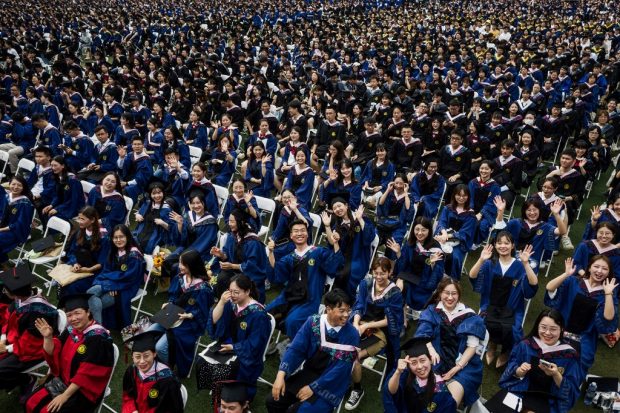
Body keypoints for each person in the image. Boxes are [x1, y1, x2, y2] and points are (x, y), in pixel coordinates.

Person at [266, 288, 360, 413]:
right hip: (309, 373)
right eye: (341, 311)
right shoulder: (314, 323)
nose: (346, 315)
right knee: (273, 401)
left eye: (348, 310)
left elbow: (341, 369)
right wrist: (281, 374)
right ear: (329, 309)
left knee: (300, 411)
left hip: (331, 383)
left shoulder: (351, 334)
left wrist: (313, 388)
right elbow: (296, 349)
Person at [24, 294, 114, 413]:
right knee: (30, 402)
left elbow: (86, 375)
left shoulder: (99, 339)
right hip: (62, 381)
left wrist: (64, 396)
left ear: (88, 312)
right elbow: (52, 352)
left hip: (81, 392)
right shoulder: (72, 330)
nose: (73, 318)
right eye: (69, 315)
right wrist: (48, 337)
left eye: (77, 313)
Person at [266, 220, 343, 351]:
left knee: (292, 321)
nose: (300, 233)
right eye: (296, 231)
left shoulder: (318, 252)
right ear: (291, 236)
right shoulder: (290, 257)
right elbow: (276, 275)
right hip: (288, 297)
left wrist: (335, 243)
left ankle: (296, 348)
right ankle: (269, 342)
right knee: (264, 314)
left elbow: (333, 266)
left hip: (309, 299)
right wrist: (271, 251)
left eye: (303, 230)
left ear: (308, 234)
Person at [490, 309, 581, 413]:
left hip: (548, 399)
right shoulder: (525, 345)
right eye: (543, 327)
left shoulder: (569, 355)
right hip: (520, 389)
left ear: (561, 329)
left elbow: (571, 391)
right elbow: (511, 369)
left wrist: (556, 374)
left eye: (553, 329)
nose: (547, 333)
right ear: (537, 326)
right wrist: (519, 371)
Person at [469, 232, 538, 368]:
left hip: (512, 309)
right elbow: (473, 276)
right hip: (490, 306)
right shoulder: (489, 264)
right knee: (482, 321)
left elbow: (533, 286)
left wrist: (526, 264)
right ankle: (492, 345)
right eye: (499, 243)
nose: (503, 246)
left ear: (513, 246)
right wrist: (481, 259)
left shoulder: (519, 266)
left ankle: (506, 351)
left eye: (506, 243)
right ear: (495, 245)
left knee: (513, 329)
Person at [414, 278, 487, 407]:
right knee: (421, 400)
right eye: (446, 293)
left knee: (448, 404)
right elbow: (422, 335)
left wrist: (457, 367)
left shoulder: (470, 316)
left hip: (463, 366)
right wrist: (432, 350)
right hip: (434, 362)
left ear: (459, 295)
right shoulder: (432, 311)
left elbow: (472, 347)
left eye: (454, 293)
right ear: (440, 293)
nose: (449, 297)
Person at [345, 258, 404, 410]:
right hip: (361, 324)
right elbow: (358, 305)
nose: (378, 276)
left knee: (354, 357)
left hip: (381, 332)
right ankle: (341, 381)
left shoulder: (395, 293)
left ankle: (357, 389)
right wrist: (356, 324)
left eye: (382, 273)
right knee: (340, 350)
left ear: (390, 273)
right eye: (375, 273)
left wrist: (368, 326)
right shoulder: (366, 284)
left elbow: (390, 321)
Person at [545, 256, 618, 371]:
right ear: (589, 268)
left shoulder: (607, 294)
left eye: (604, 269)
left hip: (584, 339)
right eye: (596, 266)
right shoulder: (573, 282)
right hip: (560, 331)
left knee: (580, 362)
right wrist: (566, 274)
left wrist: (608, 294)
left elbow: (608, 319)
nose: (599, 271)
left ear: (609, 273)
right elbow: (549, 287)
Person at [149, 249, 214, 378]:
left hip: (189, 323)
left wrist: (191, 315)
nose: (179, 266)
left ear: (192, 266)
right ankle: (159, 363)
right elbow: (173, 295)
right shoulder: (180, 278)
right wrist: (169, 303)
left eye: (183, 264)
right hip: (173, 313)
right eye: (180, 262)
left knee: (160, 347)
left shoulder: (203, 289)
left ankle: (167, 371)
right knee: (149, 332)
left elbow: (204, 311)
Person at [206, 274, 271, 400]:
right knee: (203, 361)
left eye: (236, 292)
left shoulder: (258, 314)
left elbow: (256, 344)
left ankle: (238, 399)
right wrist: (221, 302)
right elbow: (214, 320)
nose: (232, 295)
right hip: (230, 343)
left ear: (247, 291)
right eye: (230, 291)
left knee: (236, 371)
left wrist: (234, 347)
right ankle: (220, 388)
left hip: (246, 352)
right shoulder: (231, 304)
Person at [0, 266, 58, 392]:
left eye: (5, 290)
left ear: (14, 293)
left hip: (31, 350)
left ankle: (27, 381)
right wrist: (2, 339)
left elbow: (30, 344)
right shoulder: (20, 299)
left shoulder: (38, 311)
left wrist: (6, 348)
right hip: (16, 342)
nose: (4, 292)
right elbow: (7, 320)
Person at [87, 224, 145, 329]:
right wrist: (111, 284)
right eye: (115, 237)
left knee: (91, 295)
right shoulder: (114, 251)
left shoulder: (134, 256)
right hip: (112, 283)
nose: (118, 240)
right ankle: (98, 328)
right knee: (94, 298)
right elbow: (106, 270)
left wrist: (113, 285)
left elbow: (129, 277)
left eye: (121, 237)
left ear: (128, 237)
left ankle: (96, 328)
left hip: (126, 287)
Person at [382, 337, 457, 413]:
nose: (420, 367)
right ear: (408, 364)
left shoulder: (441, 392)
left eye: (422, 360)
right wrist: (398, 372)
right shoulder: (404, 373)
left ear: (430, 360)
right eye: (414, 362)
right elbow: (391, 392)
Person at [322, 194, 376, 299]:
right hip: (342, 256)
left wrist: (360, 219)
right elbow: (332, 243)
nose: (337, 209)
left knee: (348, 272)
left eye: (339, 206)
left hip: (359, 256)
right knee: (326, 261)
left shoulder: (360, 218)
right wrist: (327, 226)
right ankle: (330, 293)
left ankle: (346, 299)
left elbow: (369, 237)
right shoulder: (338, 224)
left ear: (346, 205)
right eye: (334, 208)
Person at [493, 196, 567, 271]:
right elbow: (500, 232)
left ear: (540, 210)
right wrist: (500, 211)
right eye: (529, 210)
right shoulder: (516, 222)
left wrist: (556, 215)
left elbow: (562, 231)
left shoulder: (545, 227)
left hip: (531, 263)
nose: (532, 213)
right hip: (510, 258)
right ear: (524, 211)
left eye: (535, 210)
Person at [388, 217, 444, 313]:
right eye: (417, 229)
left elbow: (438, 274)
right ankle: (402, 314)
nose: (419, 233)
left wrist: (433, 264)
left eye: (423, 230)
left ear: (429, 231)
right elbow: (403, 265)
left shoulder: (436, 249)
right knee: (397, 284)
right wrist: (398, 253)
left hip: (423, 282)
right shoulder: (411, 243)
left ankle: (399, 315)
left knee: (401, 287)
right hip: (408, 276)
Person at [211, 210, 269, 302]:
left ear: (241, 222)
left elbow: (252, 266)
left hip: (250, 275)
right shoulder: (232, 236)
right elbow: (228, 255)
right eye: (229, 221)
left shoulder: (253, 242)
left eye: (232, 221)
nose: (229, 224)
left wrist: (232, 266)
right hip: (235, 272)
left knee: (237, 284)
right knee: (222, 277)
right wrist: (221, 255)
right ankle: (223, 302)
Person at [122, 331, 184, 413]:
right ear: (132, 357)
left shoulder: (167, 380)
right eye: (137, 357)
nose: (142, 361)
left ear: (154, 354)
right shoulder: (132, 371)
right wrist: (132, 410)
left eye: (146, 356)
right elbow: (128, 396)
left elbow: (171, 409)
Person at [59, 206, 110, 297]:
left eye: (82, 219)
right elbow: (72, 252)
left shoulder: (104, 238)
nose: (79, 221)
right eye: (79, 218)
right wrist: (75, 263)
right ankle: (67, 308)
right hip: (78, 266)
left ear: (93, 220)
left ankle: (78, 307)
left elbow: (103, 262)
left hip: (94, 271)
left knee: (74, 286)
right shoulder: (79, 232)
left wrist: (89, 269)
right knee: (63, 280)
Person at [434, 184, 477, 280]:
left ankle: (452, 280)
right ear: (454, 195)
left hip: (459, 243)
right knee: (433, 250)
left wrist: (447, 236)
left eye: (464, 195)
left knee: (455, 257)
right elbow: (441, 222)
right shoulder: (447, 208)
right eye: (459, 195)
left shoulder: (470, 215)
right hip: (443, 238)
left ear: (468, 197)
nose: (461, 198)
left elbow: (464, 233)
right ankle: (433, 276)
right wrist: (444, 233)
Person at [133, 181, 176, 255]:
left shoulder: (167, 209)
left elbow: (172, 228)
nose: (157, 196)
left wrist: (162, 223)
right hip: (140, 231)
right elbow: (138, 213)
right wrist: (137, 215)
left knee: (145, 245)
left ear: (163, 193)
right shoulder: (147, 204)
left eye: (159, 192)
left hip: (156, 236)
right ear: (150, 194)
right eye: (154, 193)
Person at [0, 176, 35, 263]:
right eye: (13, 184)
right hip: (3, 226)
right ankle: (3, 261)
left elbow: (21, 224)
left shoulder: (25, 203)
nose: (15, 187)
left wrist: (1, 229)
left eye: (19, 185)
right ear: (9, 184)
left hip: (16, 231)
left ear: (23, 187)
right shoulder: (6, 197)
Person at [41, 156, 85, 224]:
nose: (53, 168)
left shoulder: (73, 180)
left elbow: (74, 200)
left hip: (74, 206)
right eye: (51, 165)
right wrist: (51, 205)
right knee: (45, 211)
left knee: (53, 216)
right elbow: (57, 195)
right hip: (64, 203)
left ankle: (71, 228)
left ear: (63, 166)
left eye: (55, 165)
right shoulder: (58, 177)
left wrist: (58, 209)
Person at [468, 160, 501, 245]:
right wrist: (471, 209)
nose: (483, 171)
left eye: (486, 169)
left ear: (492, 170)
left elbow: (491, 203)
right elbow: (469, 197)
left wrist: (481, 213)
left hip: (487, 213)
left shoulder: (495, 186)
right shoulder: (473, 182)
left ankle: (475, 243)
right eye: (482, 168)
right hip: (471, 209)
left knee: (482, 225)